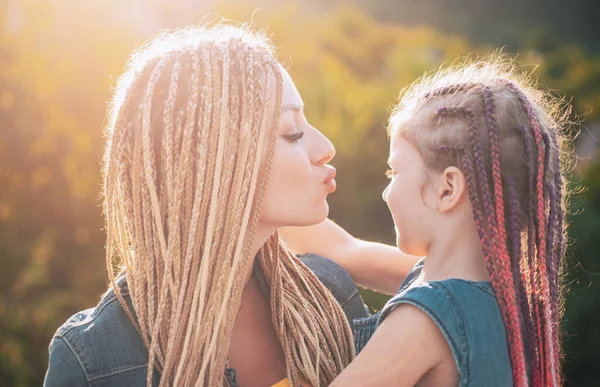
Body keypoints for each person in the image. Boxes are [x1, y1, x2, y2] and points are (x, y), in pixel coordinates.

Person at [44, 24, 369, 387]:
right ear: (213, 160)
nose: (325, 147)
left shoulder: (329, 296)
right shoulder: (94, 358)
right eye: (292, 131)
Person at [286, 57, 571, 387]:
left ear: (447, 189)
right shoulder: (509, 300)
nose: (386, 192)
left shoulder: (422, 321)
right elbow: (344, 249)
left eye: (394, 172)